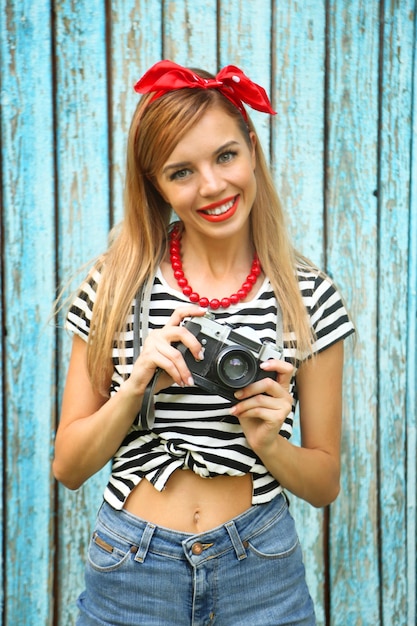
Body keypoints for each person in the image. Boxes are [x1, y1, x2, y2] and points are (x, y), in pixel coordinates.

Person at [53, 60, 354, 625]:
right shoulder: (114, 286)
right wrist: (133, 388)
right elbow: (68, 467)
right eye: (181, 171)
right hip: (132, 569)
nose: (212, 186)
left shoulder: (307, 294)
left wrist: (268, 440)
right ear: (156, 185)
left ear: (252, 152)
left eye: (225, 156)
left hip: (260, 567)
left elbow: (324, 484)